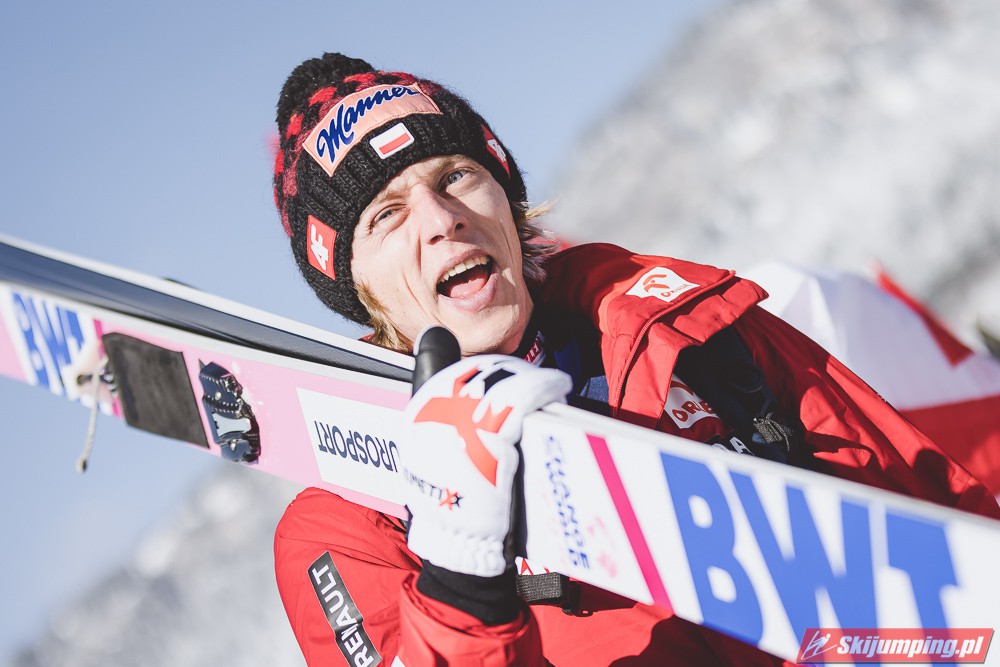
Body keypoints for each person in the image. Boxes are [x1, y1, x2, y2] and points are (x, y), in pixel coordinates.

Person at [270, 53, 1000, 666]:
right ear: (355, 283)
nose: (441, 219)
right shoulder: (345, 521)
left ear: (505, 193)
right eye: (388, 214)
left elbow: (939, 514)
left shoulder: (689, 328)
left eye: (456, 176)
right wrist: (457, 577)